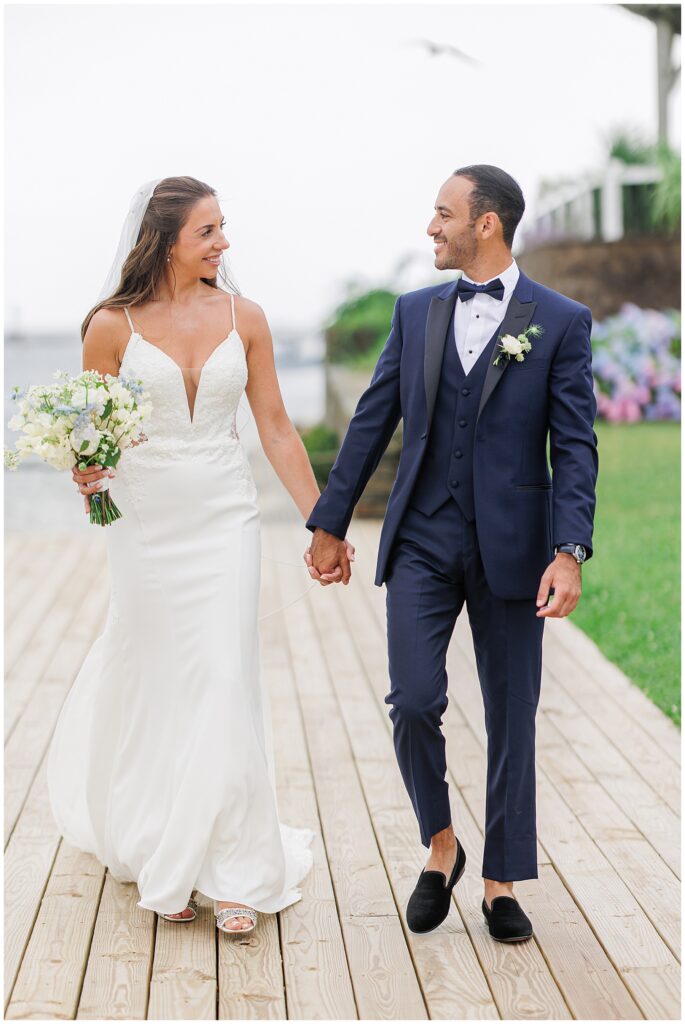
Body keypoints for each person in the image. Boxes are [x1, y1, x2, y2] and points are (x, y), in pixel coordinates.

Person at [47, 176, 352, 934]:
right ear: (165, 241)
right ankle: (165, 849)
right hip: (145, 525)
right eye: (208, 231)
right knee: (159, 678)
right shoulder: (109, 327)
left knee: (223, 676)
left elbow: (277, 428)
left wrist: (322, 521)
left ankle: (241, 869)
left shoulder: (245, 318)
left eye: (223, 228)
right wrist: (87, 477)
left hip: (224, 517)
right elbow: (91, 439)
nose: (223, 243)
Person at [305, 165, 598, 941]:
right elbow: (371, 422)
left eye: (442, 214)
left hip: (514, 546)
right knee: (412, 701)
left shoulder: (560, 322)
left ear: (487, 224)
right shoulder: (415, 313)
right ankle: (442, 845)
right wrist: (328, 523)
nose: (430, 227)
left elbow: (573, 447)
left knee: (511, 716)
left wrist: (567, 550)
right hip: (423, 539)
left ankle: (500, 880)